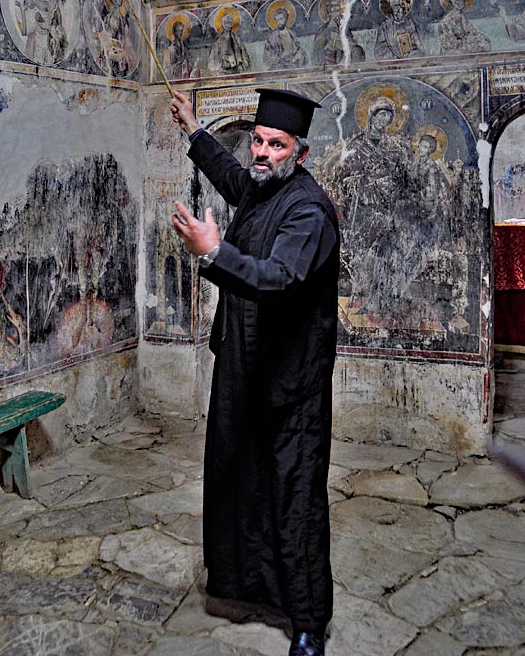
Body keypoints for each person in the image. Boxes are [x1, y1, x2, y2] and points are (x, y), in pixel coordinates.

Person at [170, 87, 340, 656]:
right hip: (243, 366)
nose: (262, 153)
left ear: (301, 153)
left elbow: (279, 280)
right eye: (259, 142)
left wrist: (214, 252)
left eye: (277, 144)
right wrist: (194, 129)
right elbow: (228, 174)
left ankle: (309, 623)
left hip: (290, 381)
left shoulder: (308, 210)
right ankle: (249, 586)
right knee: (239, 475)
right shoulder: (262, 191)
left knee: (294, 497)